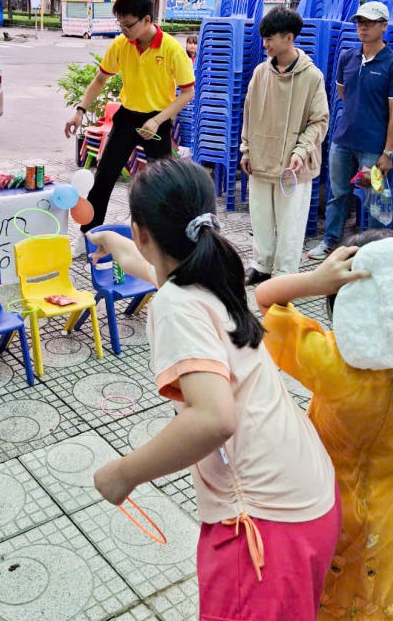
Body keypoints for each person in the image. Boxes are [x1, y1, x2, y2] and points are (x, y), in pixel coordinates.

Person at [89, 159, 342, 621]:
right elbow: (138, 261)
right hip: (311, 496)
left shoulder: (175, 303)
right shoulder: (217, 275)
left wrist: (123, 474)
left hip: (265, 530)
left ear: (144, 232)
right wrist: (110, 242)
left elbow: (213, 418)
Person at [256, 234, 393, 620]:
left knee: (332, 584)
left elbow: (266, 299)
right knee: (385, 578)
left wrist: (314, 280)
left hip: (328, 501)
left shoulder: (330, 364)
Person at [63, 0, 195, 253]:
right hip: (127, 118)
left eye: (128, 24)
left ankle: (163, 240)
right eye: (120, 23)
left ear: (147, 20)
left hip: (157, 122)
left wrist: (158, 120)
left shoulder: (171, 49)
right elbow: (100, 79)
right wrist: (79, 110)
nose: (123, 29)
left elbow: (188, 93)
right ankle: (88, 235)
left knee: (162, 185)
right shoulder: (121, 45)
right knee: (103, 178)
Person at [307, 0, 393, 260]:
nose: (363, 28)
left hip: (373, 146)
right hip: (343, 140)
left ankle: (377, 251)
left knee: (376, 200)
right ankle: (330, 241)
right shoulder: (347, 57)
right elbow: (343, 94)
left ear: (384, 26)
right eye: (360, 22)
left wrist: (388, 152)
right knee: (338, 194)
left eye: (370, 22)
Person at [240, 6, 329, 285]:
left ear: (289, 37)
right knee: (261, 219)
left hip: (293, 166)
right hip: (260, 159)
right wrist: (245, 149)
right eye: (264, 38)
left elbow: (319, 121)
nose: (265, 44)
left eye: (270, 38)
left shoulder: (312, 76)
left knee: (291, 224)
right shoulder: (259, 73)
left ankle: (287, 274)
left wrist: (301, 151)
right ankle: (262, 265)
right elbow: (249, 113)